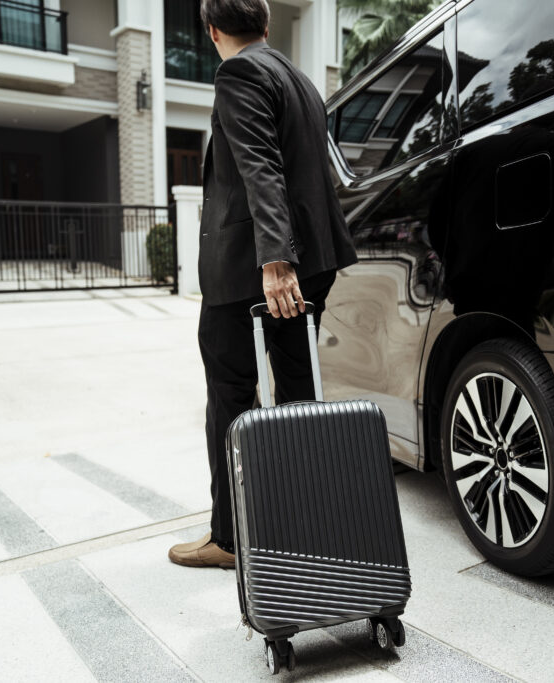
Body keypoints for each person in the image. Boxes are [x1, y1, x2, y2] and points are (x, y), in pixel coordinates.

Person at [169, 0, 357, 568]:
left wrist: (275, 260)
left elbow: (260, 166)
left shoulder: (239, 71)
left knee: (230, 396)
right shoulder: (298, 78)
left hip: (252, 273)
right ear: (266, 24)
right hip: (314, 261)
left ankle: (230, 538)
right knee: (298, 391)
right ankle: (304, 526)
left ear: (211, 31)